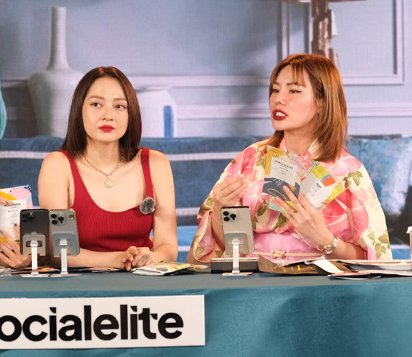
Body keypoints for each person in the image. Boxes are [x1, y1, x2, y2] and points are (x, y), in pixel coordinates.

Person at [188, 53, 392, 263]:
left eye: (294, 90)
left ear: (322, 102)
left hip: (316, 280)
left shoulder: (349, 171)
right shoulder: (250, 158)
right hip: (254, 277)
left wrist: (324, 239)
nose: (278, 98)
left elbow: (375, 260)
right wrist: (220, 210)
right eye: (275, 90)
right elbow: (229, 249)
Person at [38, 66, 177, 270]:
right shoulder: (57, 165)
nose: (108, 115)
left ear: (131, 113)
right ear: (79, 110)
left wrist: (150, 257)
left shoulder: (156, 163)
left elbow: (168, 246)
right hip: (80, 283)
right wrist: (117, 259)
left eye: (119, 106)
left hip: (142, 278)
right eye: (96, 104)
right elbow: (61, 251)